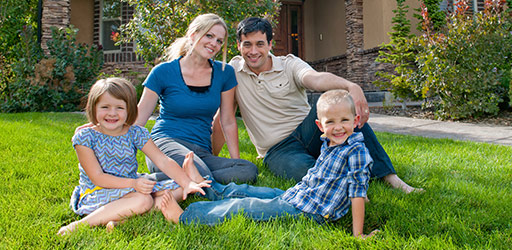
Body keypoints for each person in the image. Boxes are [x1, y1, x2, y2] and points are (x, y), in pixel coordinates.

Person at [214, 17, 420, 193]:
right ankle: (344, 181)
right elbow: (225, 118)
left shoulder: (289, 64)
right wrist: (228, 161)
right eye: (247, 44)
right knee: (308, 175)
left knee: (342, 105)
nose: (253, 51)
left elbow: (317, 79)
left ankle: (390, 177)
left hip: (311, 130)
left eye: (259, 44)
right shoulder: (232, 72)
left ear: (270, 44)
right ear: (238, 46)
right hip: (277, 150)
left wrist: (351, 86)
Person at [159, 90, 379, 238]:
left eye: (344, 121)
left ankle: (186, 217)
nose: (338, 127)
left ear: (356, 121)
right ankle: (209, 187)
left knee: (246, 207)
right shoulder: (330, 141)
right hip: (300, 195)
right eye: (330, 122)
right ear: (320, 126)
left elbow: (357, 194)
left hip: (310, 211)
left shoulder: (356, 152)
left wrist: (358, 235)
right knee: (248, 191)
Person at [58, 78, 211, 235]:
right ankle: (81, 224)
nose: (112, 113)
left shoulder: (135, 133)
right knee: (144, 200)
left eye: (119, 107)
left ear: (129, 109)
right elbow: (97, 177)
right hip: (99, 191)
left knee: (179, 188)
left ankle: (121, 219)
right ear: (93, 108)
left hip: (131, 188)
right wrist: (133, 183)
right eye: (105, 107)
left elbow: (163, 161)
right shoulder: (85, 137)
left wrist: (186, 183)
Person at [136, 13, 257, 185]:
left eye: (219, 41)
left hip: (201, 151)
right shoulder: (163, 72)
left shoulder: (225, 73)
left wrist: (235, 162)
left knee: (248, 170)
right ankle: (189, 178)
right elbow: (139, 120)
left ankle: (161, 181)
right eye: (209, 35)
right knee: (198, 170)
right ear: (193, 35)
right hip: (165, 143)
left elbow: (228, 121)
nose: (214, 44)